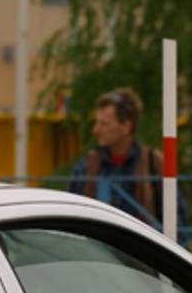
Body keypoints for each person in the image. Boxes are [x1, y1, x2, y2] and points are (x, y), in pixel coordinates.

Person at [67, 87, 165, 224]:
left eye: (104, 124)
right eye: (97, 123)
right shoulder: (87, 165)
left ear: (126, 127)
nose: (96, 130)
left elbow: (176, 223)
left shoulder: (153, 163)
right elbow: (70, 215)